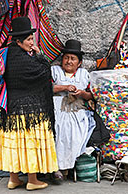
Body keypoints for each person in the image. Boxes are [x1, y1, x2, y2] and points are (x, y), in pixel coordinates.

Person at [0, 17, 58, 190]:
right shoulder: (28, 60)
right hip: (31, 110)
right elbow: (46, 71)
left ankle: (13, 179)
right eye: (29, 39)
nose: (32, 42)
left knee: (14, 144)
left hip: (11, 109)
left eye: (32, 39)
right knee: (30, 144)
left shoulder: (5, 55)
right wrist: (39, 54)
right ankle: (32, 180)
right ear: (18, 41)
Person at [51, 39, 96, 178]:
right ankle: (57, 168)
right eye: (66, 58)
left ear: (79, 63)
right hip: (57, 109)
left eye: (73, 59)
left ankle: (67, 167)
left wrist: (82, 93)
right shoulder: (55, 71)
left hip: (77, 110)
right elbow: (46, 88)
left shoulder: (84, 74)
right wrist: (64, 87)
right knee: (59, 130)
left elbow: (91, 95)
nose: (69, 61)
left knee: (76, 133)